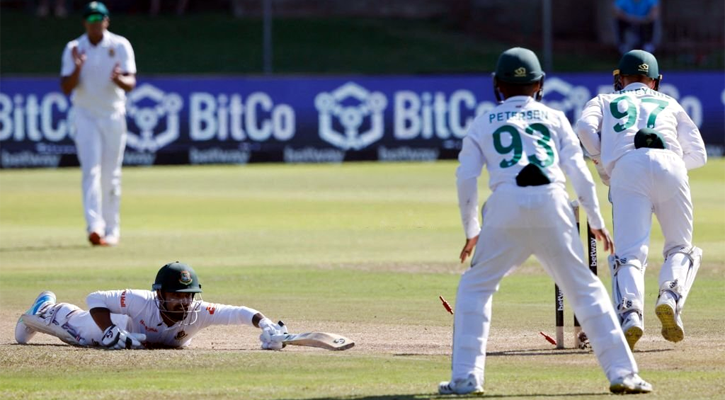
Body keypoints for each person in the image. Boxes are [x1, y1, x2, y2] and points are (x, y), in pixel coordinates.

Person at [438, 47, 652, 395]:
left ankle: (466, 379)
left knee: (475, 289)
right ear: (540, 84)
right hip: (553, 204)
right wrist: (596, 220)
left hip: (505, 205)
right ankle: (623, 374)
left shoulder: (482, 121)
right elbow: (579, 173)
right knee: (586, 291)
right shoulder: (554, 117)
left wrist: (471, 230)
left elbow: (466, 177)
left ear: (497, 85)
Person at [575, 50, 706, 351]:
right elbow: (698, 154)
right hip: (672, 164)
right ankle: (669, 298)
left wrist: (602, 162)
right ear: (656, 81)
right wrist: (668, 167)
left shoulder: (605, 100)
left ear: (620, 79)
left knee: (631, 253)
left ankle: (631, 314)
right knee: (680, 247)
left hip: (625, 168)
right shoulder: (669, 102)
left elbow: (583, 128)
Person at [15, 261, 288, 350]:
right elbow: (95, 298)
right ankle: (46, 308)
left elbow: (239, 313)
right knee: (88, 333)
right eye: (176, 294)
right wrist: (109, 330)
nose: (183, 301)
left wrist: (265, 324)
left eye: (188, 295)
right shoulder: (139, 300)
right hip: (113, 327)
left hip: (132, 335)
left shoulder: (198, 313)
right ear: (160, 295)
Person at [61, 1, 136, 246]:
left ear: (106, 21)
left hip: (113, 114)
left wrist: (118, 80)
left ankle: (112, 229)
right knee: (91, 171)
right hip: (85, 115)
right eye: (91, 20)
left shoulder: (120, 44)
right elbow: (66, 87)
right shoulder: (74, 47)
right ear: (85, 23)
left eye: (99, 19)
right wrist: (78, 68)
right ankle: (95, 227)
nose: (95, 24)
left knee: (111, 174)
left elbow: (131, 82)